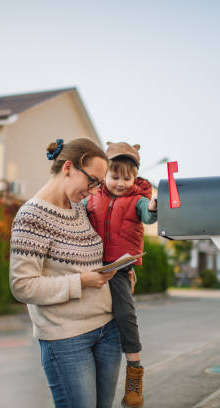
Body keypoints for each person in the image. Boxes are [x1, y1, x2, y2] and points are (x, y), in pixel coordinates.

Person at [9, 138, 123, 408]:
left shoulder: (79, 210)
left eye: (99, 184)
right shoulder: (31, 216)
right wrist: (81, 282)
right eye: (93, 181)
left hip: (107, 329)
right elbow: (22, 287)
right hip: (66, 339)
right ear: (69, 167)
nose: (95, 191)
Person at [82, 142, 158, 408]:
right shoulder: (91, 197)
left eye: (128, 177)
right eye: (115, 177)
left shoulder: (137, 200)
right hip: (88, 264)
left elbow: (148, 216)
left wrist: (154, 207)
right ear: (105, 174)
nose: (121, 183)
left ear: (135, 177)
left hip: (119, 267)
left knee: (125, 314)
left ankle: (134, 372)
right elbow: (72, 210)